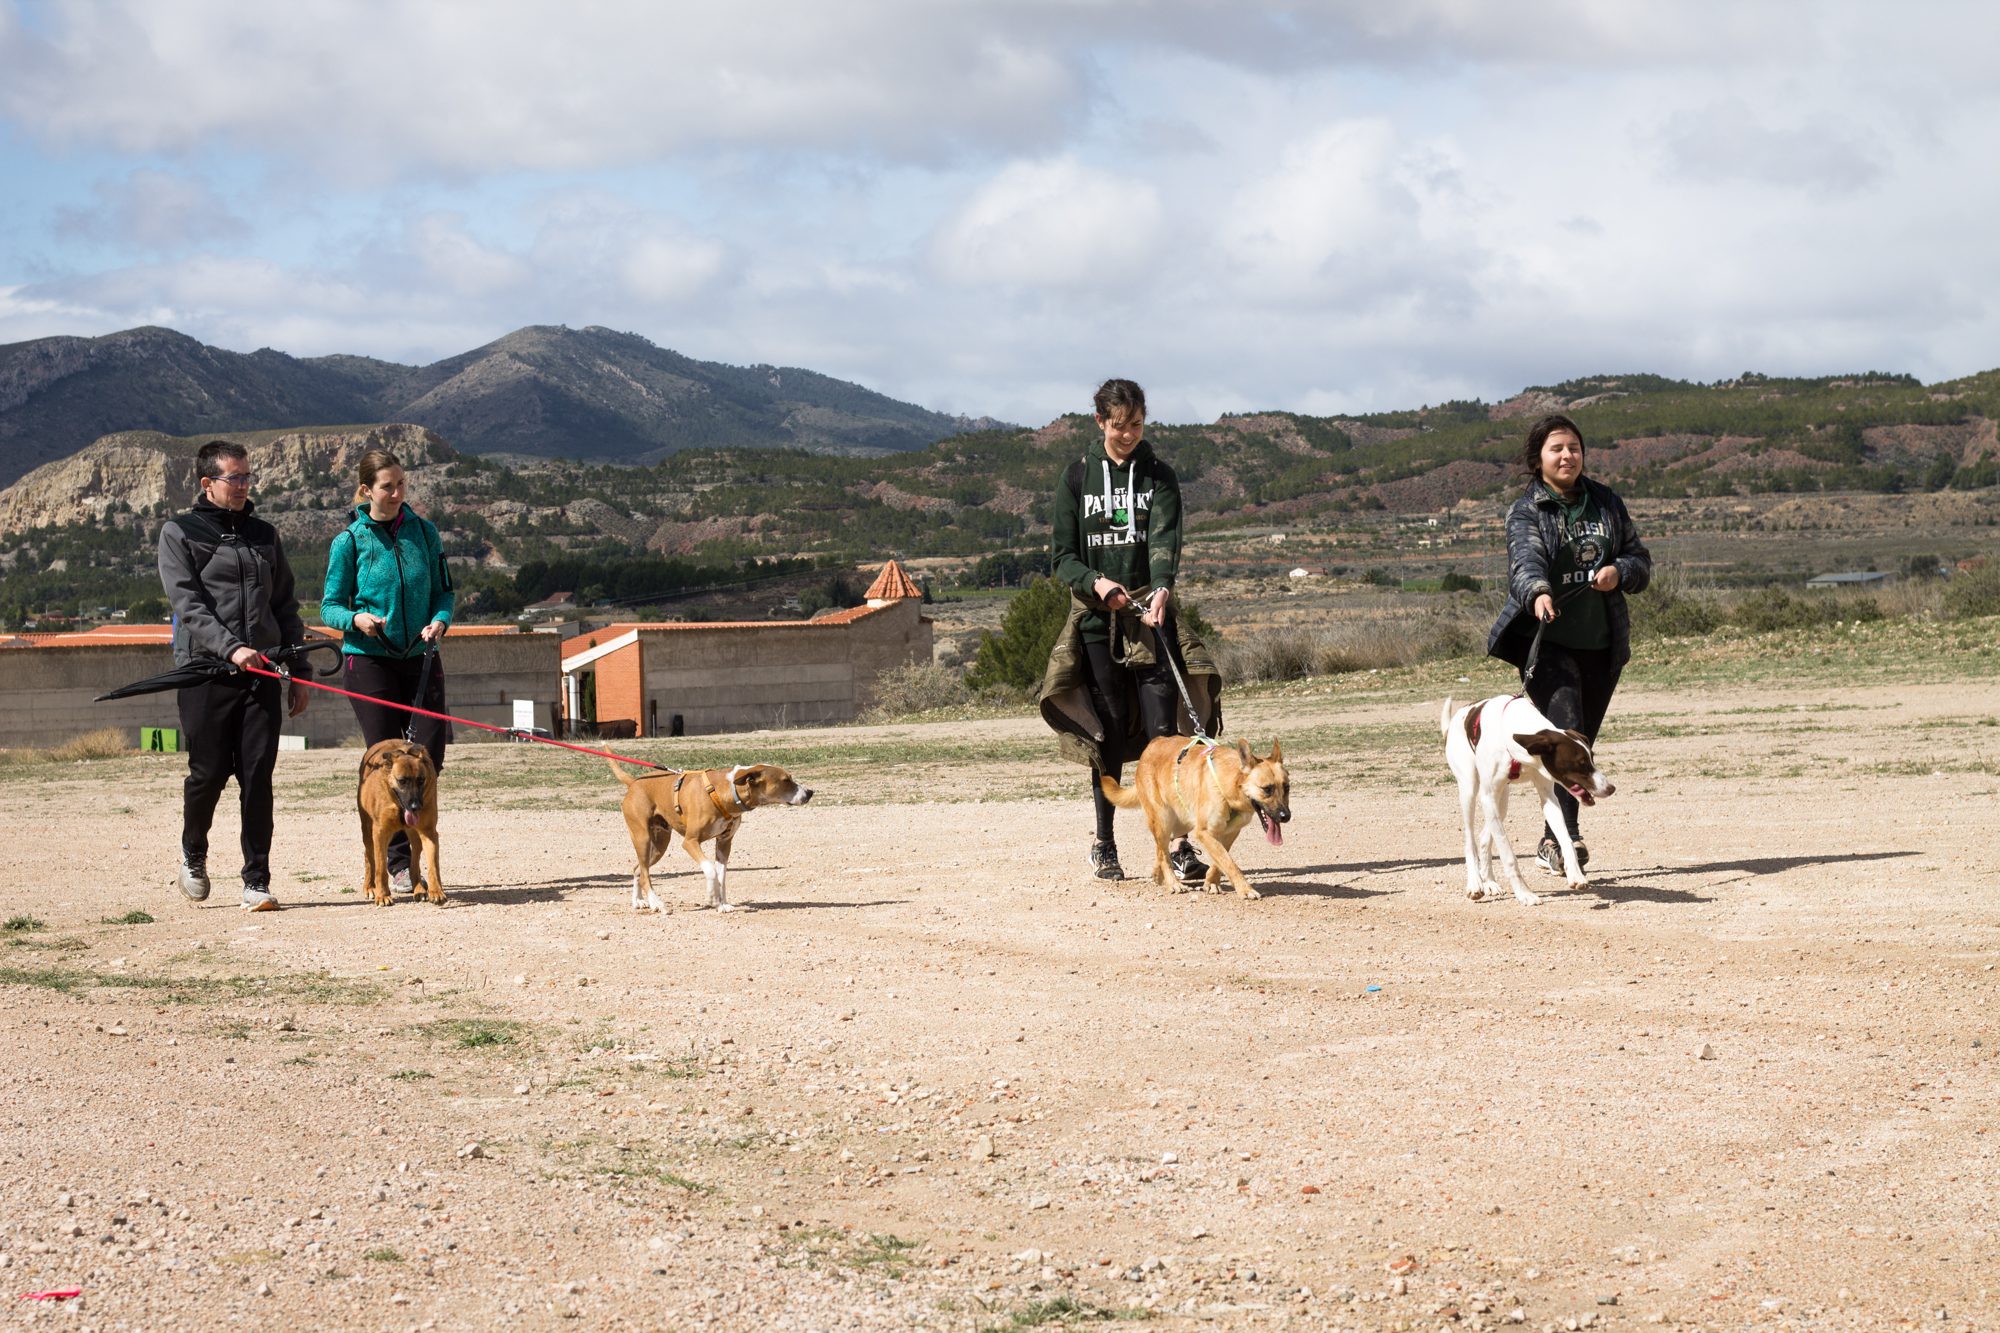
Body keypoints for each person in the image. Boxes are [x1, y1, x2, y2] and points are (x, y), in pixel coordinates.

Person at [1043, 378, 1218, 882]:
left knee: (1166, 734)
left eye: (1136, 425)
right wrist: (1097, 583)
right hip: (1098, 622)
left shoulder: (1159, 476)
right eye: (1119, 426)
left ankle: (1179, 846)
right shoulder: (1076, 478)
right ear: (1100, 422)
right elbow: (1063, 557)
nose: (1128, 435)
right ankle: (1105, 842)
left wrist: (1161, 587)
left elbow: (1166, 539)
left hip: (1151, 617)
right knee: (1110, 732)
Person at [1486, 413, 1651, 875]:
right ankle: (1567, 839)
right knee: (1566, 729)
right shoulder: (1526, 510)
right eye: (1557, 448)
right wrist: (1538, 592)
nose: (1567, 456)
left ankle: (1549, 839)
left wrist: (1621, 571)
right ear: (1538, 458)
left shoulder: (1606, 502)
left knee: (1579, 744)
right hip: (1549, 644)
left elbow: (1639, 558)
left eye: (1574, 447)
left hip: (1602, 644)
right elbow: (1524, 562)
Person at [156, 440, 309, 911]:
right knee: (207, 774)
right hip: (206, 672)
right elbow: (189, 606)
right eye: (234, 478)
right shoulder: (179, 533)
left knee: (258, 776)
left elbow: (284, 605)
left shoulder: (265, 534)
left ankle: (256, 880)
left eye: (247, 477)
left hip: (261, 672)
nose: (243, 486)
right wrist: (231, 648)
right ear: (208, 483)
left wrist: (297, 668)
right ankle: (193, 852)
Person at [320, 448, 455, 893]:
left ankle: (422, 848)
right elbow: (330, 607)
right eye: (387, 486)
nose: (397, 493)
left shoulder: (425, 533)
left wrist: (440, 619)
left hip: (420, 656)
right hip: (369, 661)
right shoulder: (350, 541)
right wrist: (356, 620)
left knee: (428, 756)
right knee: (386, 762)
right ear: (366, 490)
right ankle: (397, 865)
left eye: (401, 484)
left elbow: (443, 593)